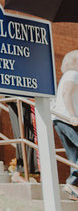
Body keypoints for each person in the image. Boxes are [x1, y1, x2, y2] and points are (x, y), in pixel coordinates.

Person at [52, 50, 78, 200]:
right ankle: (72, 182)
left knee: (74, 155)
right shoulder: (73, 74)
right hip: (67, 119)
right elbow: (66, 93)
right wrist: (73, 115)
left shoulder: (68, 75)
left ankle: (73, 188)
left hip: (60, 119)